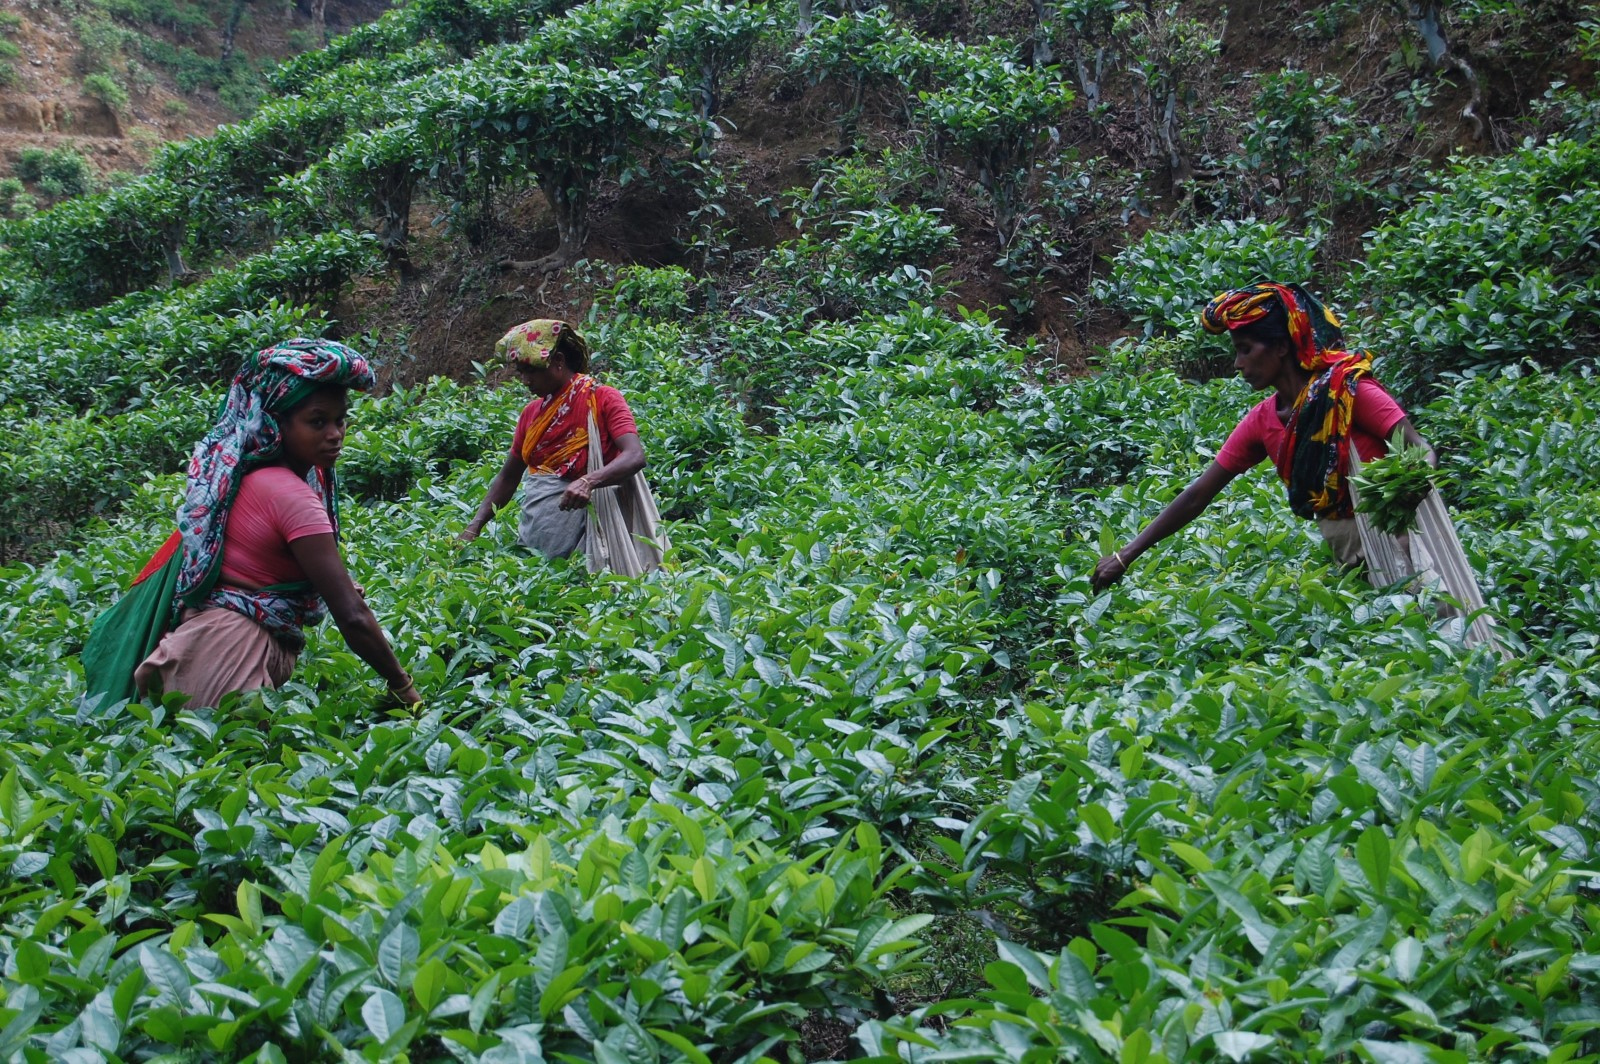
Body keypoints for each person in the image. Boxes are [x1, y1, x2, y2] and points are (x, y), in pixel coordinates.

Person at [82, 338, 422, 709]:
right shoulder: (292, 497)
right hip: (229, 652)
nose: (334, 434)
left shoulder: (239, 475)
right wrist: (403, 687)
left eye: (340, 420)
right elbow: (352, 616)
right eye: (317, 421)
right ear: (276, 423)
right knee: (236, 756)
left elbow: (256, 562)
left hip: (207, 640)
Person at [1092, 281, 1437, 593]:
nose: (1238, 364)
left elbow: (1419, 448)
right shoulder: (1263, 421)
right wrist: (1126, 555)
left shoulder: (1347, 392)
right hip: (1348, 555)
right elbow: (1198, 494)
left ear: (1281, 347)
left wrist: (1408, 485)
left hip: (1403, 539)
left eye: (1246, 349)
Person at [458, 319, 651, 564]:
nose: (525, 381)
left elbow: (634, 455)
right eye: (521, 373)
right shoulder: (531, 414)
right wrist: (475, 526)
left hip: (598, 530)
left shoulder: (602, 398)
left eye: (531, 371)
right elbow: (508, 476)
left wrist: (588, 481)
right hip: (537, 537)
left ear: (558, 362)